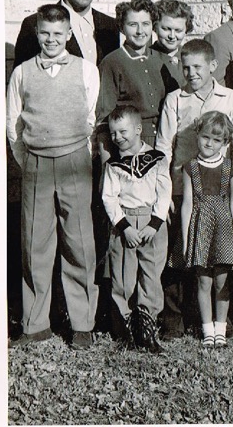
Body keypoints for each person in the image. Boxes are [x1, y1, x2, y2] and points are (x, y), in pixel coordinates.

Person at [6, 4, 99, 349]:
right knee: (35, 244)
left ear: (69, 35)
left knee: (79, 242)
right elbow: (13, 125)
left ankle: (83, 324)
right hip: (36, 163)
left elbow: (91, 119)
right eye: (45, 33)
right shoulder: (22, 73)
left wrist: (77, 153)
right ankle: (35, 324)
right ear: (37, 33)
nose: (51, 39)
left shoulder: (86, 70)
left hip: (74, 160)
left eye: (58, 34)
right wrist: (30, 160)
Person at [155, 38, 233, 339]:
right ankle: (174, 319)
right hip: (183, 186)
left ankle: (222, 322)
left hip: (218, 189)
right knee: (181, 253)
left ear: (212, 66)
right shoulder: (175, 99)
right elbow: (163, 148)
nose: (191, 73)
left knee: (219, 257)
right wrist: (165, 190)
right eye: (186, 67)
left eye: (197, 67)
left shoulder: (231, 98)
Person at [102, 105, 171, 352]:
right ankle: (127, 330)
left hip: (151, 223)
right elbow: (109, 197)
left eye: (123, 131)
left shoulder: (157, 159)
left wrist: (155, 224)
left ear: (139, 129)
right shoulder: (113, 164)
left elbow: (164, 193)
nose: (117, 137)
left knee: (151, 276)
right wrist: (124, 227)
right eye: (113, 133)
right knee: (124, 278)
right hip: (125, 224)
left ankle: (147, 330)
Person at [181, 111, 233, 349]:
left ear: (225, 142)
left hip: (223, 229)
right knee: (203, 282)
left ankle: (220, 330)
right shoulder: (190, 167)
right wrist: (186, 239)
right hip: (200, 228)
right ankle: (207, 330)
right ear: (197, 135)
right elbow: (187, 204)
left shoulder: (228, 167)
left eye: (216, 140)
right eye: (205, 137)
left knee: (222, 282)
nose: (209, 144)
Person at [97, 0, 178, 155]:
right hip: (130, 146)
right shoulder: (112, 62)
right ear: (122, 28)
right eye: (133, 25)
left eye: (146, 24)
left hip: (166, 142)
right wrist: (107, 164)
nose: (140, 31)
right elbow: (104, 120)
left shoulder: (163, 60)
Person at [153, 0, 195, 86]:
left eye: (178, 30)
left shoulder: (193, 57)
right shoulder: (146, 58)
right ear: (155, 27)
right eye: (166, 29)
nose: (172, 36)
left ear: (186, 30)